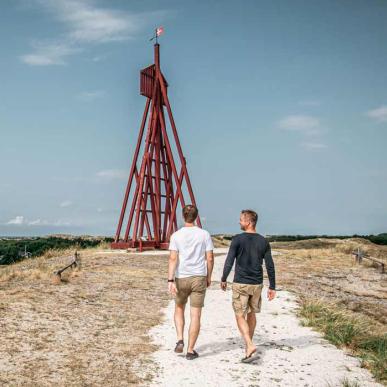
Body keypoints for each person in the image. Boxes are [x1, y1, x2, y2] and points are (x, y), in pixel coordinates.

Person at [221, 209, 276, 363]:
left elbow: (230, 260)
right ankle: (248, 349)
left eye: (241, 219)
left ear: (248, 222)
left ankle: (250, 344)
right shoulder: (263, 241)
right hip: (257, 284)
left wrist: (224, 278)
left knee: (240, 314)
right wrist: (272, 286)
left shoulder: (237, 239)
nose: (239, 222)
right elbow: (270, 265)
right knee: (251, 314)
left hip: (241, 283)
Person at [168, 204, 214, 360]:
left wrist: (170, 279)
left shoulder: (176, 235)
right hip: (199, 277)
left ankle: (180, 339)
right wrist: (208, 276)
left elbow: (173, 258)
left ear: (183, 216)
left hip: (182, 277)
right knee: (196, 315)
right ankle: (190, 350)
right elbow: (210, 258)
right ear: (196, 216)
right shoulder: (204, 234)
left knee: (179, 308)